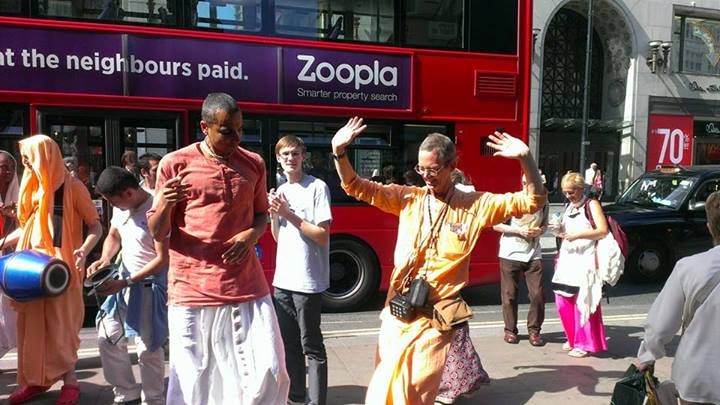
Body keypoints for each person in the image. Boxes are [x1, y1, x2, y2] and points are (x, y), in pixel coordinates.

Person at [330, 117, 546, 404]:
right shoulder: (408, 198)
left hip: (436, 319)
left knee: (416, 390)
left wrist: (526, 159)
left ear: (451, 167)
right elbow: (356, 186)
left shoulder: (475, 205)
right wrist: (339, 153)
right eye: (421, 169)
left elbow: (532, 201)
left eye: (433, 169)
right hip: (398, 311)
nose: (426, 176)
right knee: (384, 388)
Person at [147, 92, 289, 405]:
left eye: (240, 129)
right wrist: (165, 205)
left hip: (247, 284)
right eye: (227, 131)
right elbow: (157, 231)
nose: (236, 137)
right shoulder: (175, 164)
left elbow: (262, 213)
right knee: (194, 380)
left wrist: (251, 235)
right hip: (192, 288)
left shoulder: (253, 163)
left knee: (270, 369)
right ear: (205, 127)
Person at [1, 135, 102, 405]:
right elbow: (29, 227)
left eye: (30, 160)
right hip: (29, 269)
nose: (27, 166)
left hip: (61, 272)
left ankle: (70, 382)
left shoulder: (73, 187)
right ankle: (36, 381)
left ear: (46, 157)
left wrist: (84, 250)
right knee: (31, 328)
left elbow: (95, 225)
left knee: (60, 328)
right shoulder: (33, 188)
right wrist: (3, 242)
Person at [87, 166, 169, 405]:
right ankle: (126, 392)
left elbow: (163, 259)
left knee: (148, 349)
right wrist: (105, 259)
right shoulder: (120, 209)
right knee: (107, 337)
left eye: (114, 201)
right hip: (121, 284)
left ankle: (153, 399)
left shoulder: (156, 209)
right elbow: (113, 235)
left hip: (148, 288)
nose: (113, 206)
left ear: (129, 193)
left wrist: (126, 281)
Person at [635, 191, 720, 405]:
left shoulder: (689, 268)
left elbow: (660, 326)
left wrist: (648, 356)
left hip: (699, 379)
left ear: (710, 227)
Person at [269, 135, 332, 405]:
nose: (290, 159)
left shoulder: (317, 187)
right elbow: (277, 237)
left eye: (295, 153)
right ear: (278, 159)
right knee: (289, 347)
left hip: (308, 283)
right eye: (285, 154)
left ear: (303, 155)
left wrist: (288, 214)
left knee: (312, 347)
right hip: (282, 281)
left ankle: (316, 401)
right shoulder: (281, 191)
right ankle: (296, 399)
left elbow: (322, 235)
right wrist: (275, 214)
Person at [552, 171, 608, 358]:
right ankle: (573, 337)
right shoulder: (569, 206)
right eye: (565, 192)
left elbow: (602, 230)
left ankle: (585, 343)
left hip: (585, 260)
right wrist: (559, 230)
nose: (568, 196)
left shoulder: (591, 204)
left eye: (571, 192)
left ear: (580, 189)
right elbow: (567, 232)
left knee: (584, 303)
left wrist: (578, 235)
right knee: (563, 301)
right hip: (568, 259)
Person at [492, 175, 548, 346]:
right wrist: (518, 231)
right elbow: (496, 225)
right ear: (522, 183)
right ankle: (510, 331)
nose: (530, 187)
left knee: (538, 295)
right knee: (509, 295)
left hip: (533, 253)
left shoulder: (543, 201)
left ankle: (534, 331)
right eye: (527, 183)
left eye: (534, 183)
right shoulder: (513, 200)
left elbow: (544, 225)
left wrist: (538, 231)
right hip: (510, 253)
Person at [0, 150, 19, 359]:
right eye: (3, 167)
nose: (7, 172)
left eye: (11, 167)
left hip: (12, 258)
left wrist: (14, 213)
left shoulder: (21, 193)